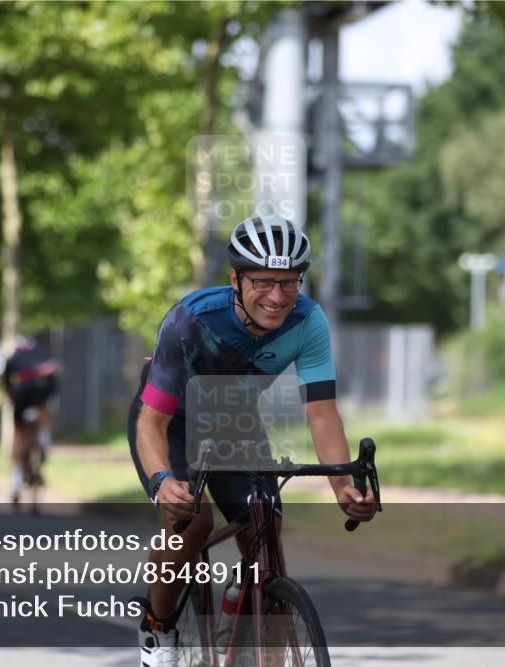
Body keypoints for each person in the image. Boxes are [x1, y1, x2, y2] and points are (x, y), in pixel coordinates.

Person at [128, 214, 377, 665]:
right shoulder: (192, 319)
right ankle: (157, 628)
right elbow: (151, 423)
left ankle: (246, 604)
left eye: (289, 282)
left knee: (266, 533)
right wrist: (163, 479)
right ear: (235, 278)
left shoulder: (308, 320)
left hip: (231, 421)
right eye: (263, 281)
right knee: (193, 523)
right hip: (173, 421)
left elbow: (322, 415)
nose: (277, 297)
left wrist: (343, 487)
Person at [2, 335, 59, 508]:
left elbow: (6, 381)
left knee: (19, 436)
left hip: (20, 398)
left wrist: (10, 394)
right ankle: (43, 444)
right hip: (38, 397)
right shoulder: (42, 356)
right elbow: (53, 381)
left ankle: (16, 485)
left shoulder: (13, 359)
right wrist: (47, 395)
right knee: (43, 422)